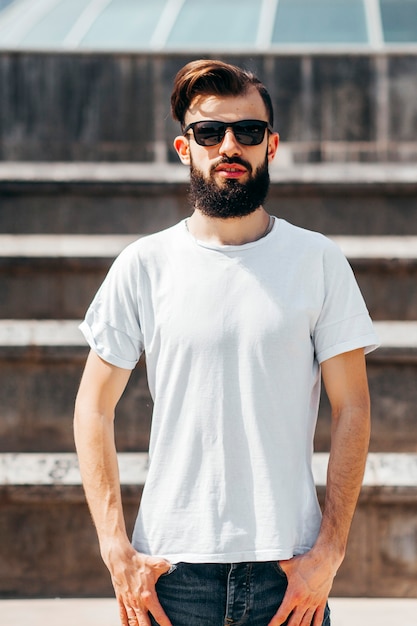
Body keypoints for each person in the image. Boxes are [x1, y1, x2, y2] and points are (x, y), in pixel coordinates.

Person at [74, 59, 379, 626]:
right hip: (169, 574)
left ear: (272, 145)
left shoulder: (319, 261)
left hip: (288, 576)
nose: (229, 146)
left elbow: (354, 406)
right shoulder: (144, 264)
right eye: (210, 132)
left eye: (248, 131)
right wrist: (115, 548)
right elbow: (92, 408)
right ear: (185, 147)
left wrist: (330, 550)